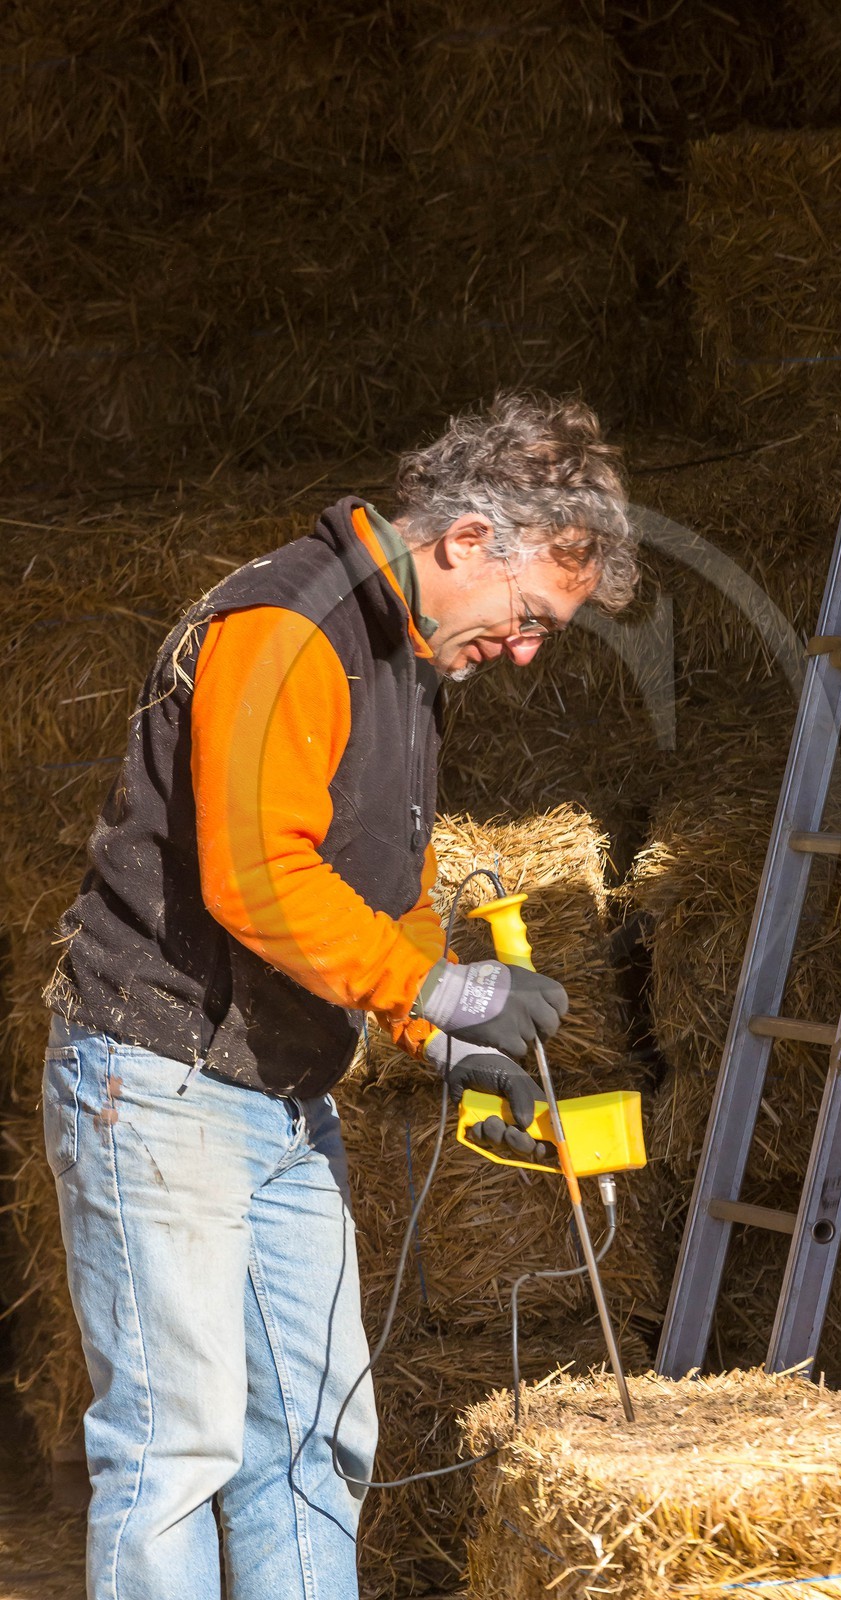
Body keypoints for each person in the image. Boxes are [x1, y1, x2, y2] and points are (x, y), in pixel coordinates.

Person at [41, 390, 636, 1599]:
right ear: (469, 540)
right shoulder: (285, 627)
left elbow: (386, 888)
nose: (524, 649)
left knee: (317, 1442)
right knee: (176, 1450)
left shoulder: (403, 662)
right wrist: (429, 983)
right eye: (528, 617)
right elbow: (257, 873)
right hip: (159, 1077)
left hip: (279, 1097)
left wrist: (439, 1026)